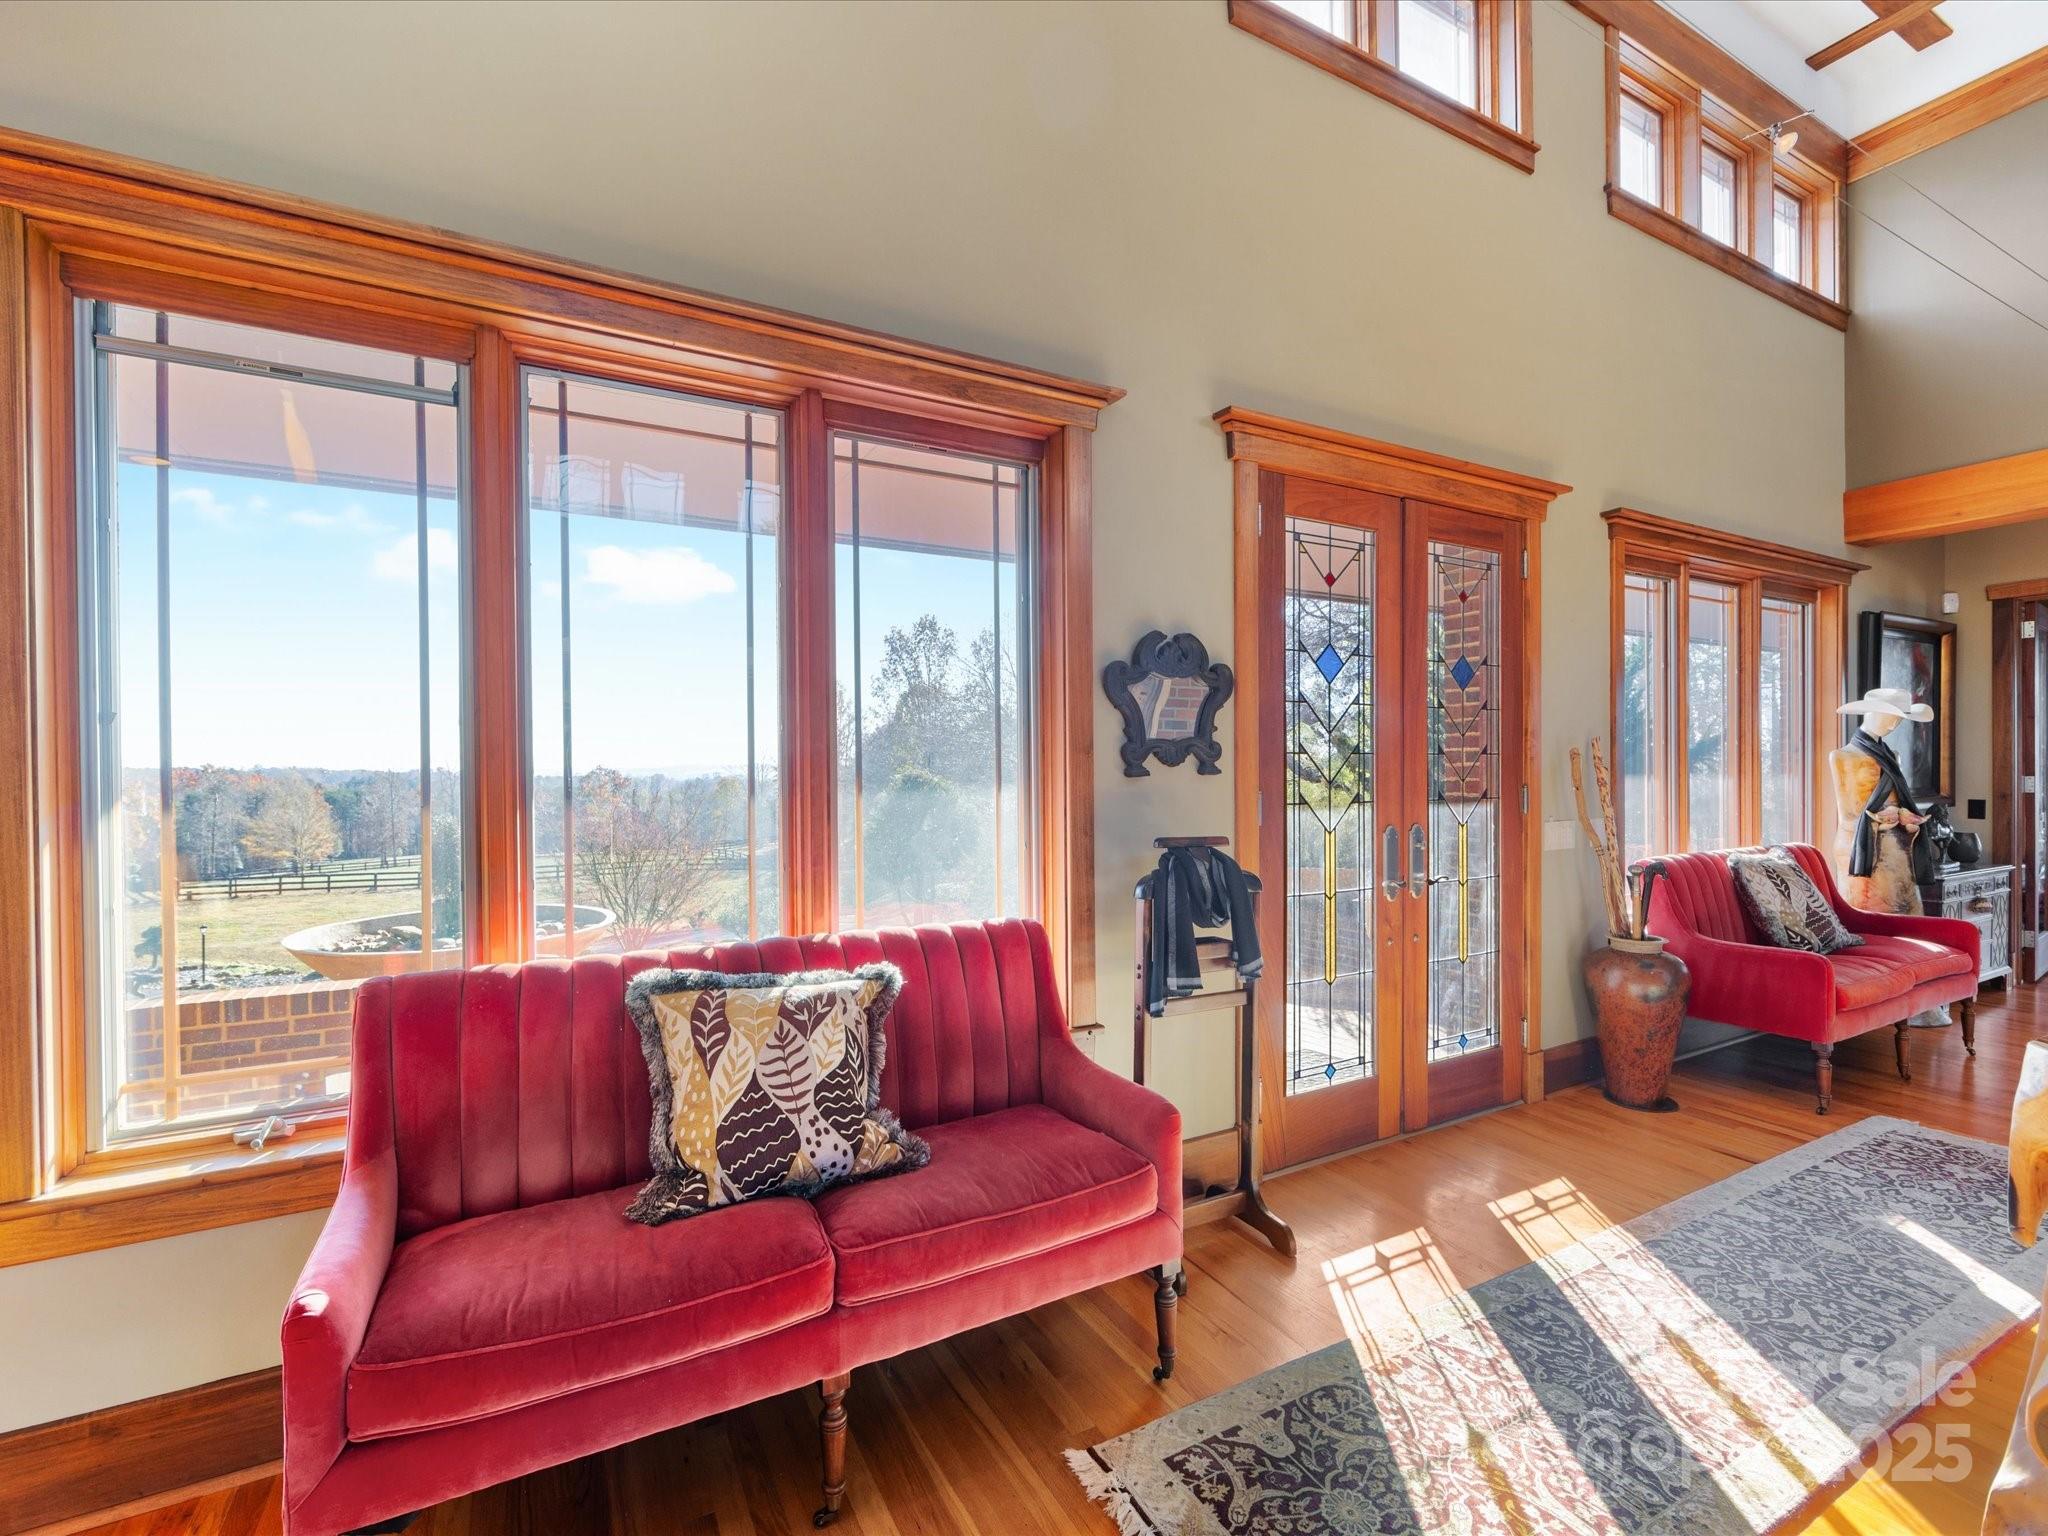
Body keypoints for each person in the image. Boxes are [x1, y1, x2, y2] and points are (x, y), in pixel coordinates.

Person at [1828, 686, 1947, 1029]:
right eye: (1892, 716)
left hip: (1896, 846)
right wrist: (1893, 815)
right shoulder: (1843, 757)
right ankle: (1883, 1003)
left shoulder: (1887, 754)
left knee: (1909, 919)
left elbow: (1890, 802)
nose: (1895, 724)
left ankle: (1913, 1002)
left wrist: (1904, 817)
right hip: (1863, 850)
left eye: (1900, 719)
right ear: (1872, 712)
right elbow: (1852, 815)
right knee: (1878, 923)